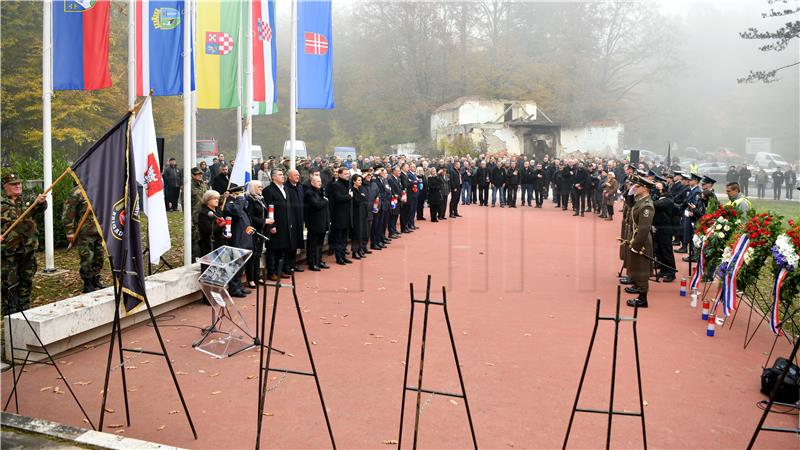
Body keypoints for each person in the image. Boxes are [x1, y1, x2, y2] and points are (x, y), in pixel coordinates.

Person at [1, 171, 47, 314]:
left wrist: (41, 202)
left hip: (28, 247)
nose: (18, 186)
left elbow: (40, 208)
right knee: (9, 280)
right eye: (14, 184)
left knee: (27, 278)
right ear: (5, 186)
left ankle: (24, 306)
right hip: (9, 249)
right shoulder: (1, 203)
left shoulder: (27, 200)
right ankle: (10, 309)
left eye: (19, 183)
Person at [63, 184, 105, 293]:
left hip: (100, 229)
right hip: (86, 232)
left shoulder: (101, 188)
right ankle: (88, 282)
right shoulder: (77, 191)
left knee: (99, 256)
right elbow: (68, 212)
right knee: (87, 257)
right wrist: (69, 231)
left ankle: (96, 279)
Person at [625, 177, 655, 308]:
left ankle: (643, 299)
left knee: (642, 268)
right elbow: (632, 206)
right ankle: (639, 289)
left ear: (645, 189)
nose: (635, 188)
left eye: (638, 187)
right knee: (636, 266)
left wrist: (636, 245)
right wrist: (630, 194)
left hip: (642, 240)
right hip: (637, 237)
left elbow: (644, 228)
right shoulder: (641, 201)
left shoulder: (647, 205)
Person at [222, 185, 255, 297]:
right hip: (237, 239)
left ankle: (239, 286)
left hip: (244, 238)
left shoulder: (239, 205)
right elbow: (236, 213)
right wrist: (239, 200)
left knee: (241, 266)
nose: (241, 197)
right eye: (238, 195)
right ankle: (234, 288)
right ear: (232, 195)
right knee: (236, 265)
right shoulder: (229, 206)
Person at [262, 168, 293, 281]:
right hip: (274, 224)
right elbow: (268, 209)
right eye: (280, 175)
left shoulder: (285, 189)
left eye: (282, 174)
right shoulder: (268, 190)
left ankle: (280, 270)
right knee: (273, 249)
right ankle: (272, 272)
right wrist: (271, 225)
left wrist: (290, 222)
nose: (282, 176)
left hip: (285, 224)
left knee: (282, 249)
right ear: (273, 177)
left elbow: (287, 207)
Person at [245, 181, 273, 288]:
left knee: (258, 254)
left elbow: (264, 212)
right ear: (252, 188)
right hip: (253, 230)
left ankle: (257, 276)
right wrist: (263, 221)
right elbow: (250, 217)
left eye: (261, 187)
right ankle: (250, 278)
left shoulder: (261, 198)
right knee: (252, 255)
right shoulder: (249, 200)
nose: (261, 188)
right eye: (259, 187)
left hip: (261, 230)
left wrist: (267, 221)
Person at [304, 174, 330, 271]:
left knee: (320, 244)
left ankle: (319, 261)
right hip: (314, 223)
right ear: (312, 182)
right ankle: (312, 263)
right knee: (312, 244)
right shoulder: (309, 193)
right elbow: (316, 205)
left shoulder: (319, 192)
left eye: (320, 181)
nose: (320, 183)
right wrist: (325, 201)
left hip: (322, 222)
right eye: (318, 181)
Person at [652, 182, 676, 282]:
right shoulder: (659, 199)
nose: (656, 189)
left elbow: (654, 204)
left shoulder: (667, 201)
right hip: (658, 228)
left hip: (665, 229)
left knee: (666, 251)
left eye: (658, 188)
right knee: (659, 251)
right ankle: (663, 269)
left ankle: (671, 272)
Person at [328, 168, 353, 265]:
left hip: (346, 215)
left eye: (348, 173)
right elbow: (338, 198)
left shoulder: (347, 184)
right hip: (338, 215)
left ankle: (343, 256)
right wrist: (349, 196)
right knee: (338, 238)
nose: (347, 175)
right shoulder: (336, 185)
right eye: (345, 174)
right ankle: (339, 258)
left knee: (344, 238)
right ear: (339, 174)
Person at [284, 169, 305, 274]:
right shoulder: (286, 188)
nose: (298, 176)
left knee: (296, 242)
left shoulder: (300, 187)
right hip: (290, 220)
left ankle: (293, 264)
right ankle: (287, 266)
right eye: (295, 175)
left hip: (299, 219)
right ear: (289, 176)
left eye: (298, 174)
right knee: (290, 243)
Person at [190, 167, 209, 261]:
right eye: (198, 174)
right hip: (195, 217)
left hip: (204, 216)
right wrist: (189, 219)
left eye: (201, 174)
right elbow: (186, 203)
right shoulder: (189, 186)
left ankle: (203, 258)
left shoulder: (204, 185)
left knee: (204, 238)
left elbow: (208, 197)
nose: (200, 176)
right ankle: (194, 260)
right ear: (193, 175)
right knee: (196, 240)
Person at [350, 174, 368, 260]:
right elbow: (356, 201)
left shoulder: (361, 189)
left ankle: (360, 249)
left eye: (361, 180)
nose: (360, 182)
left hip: (362, 213)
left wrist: (362, 198)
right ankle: (355, 251)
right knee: (356, 233)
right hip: (356, 215)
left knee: (362, 232)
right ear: (354, 181)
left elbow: (364, 199)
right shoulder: (352, 190)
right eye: (358, 180)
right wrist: (362, 198)